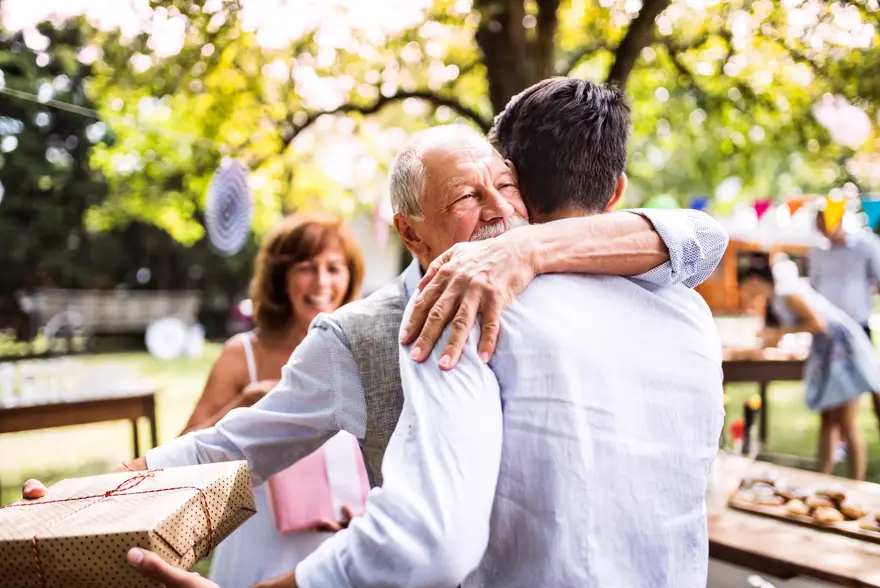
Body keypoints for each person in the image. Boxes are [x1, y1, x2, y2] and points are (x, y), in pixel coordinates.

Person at [24, 124, 728, 585]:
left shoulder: (579, 284)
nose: (499, 209)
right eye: (465, 197)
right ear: (411, 231)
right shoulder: (365, 334)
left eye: (504, 185)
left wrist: (532, 247)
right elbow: (235, 448)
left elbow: (701, 238)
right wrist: (95, 495)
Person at [285, 79, 725, 587]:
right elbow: (703, 236)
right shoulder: (690, 314)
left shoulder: (469, 304)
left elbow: (434, 542)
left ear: (515, 187)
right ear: (619, 190)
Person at [184, 213, 367, 588]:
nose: (322, 282)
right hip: (258, 546)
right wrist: (242, 402)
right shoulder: (242, 355)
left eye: (334, 268)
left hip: (339, 548)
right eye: (306, 268)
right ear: (281, 277)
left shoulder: (360, 351)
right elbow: (184, 455)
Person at [740, 252, 880, 481]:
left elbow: (819, 323)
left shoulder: (787, 293)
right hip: (828, 355)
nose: (744, 293)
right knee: (827, 419)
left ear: (754, 281)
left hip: (843, 351)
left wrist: (782, 332)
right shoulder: (775, 301)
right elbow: (774, 337)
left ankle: (857, 482)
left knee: (846, 422)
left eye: (744, 286)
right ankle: (821, 479)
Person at [809, 208, 880, 431]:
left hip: (856, 327)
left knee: (872, 385)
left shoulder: (865, 245)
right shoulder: (817, 251)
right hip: (826, 331)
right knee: (831, 396)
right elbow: (813, 288)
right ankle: (839, 444)